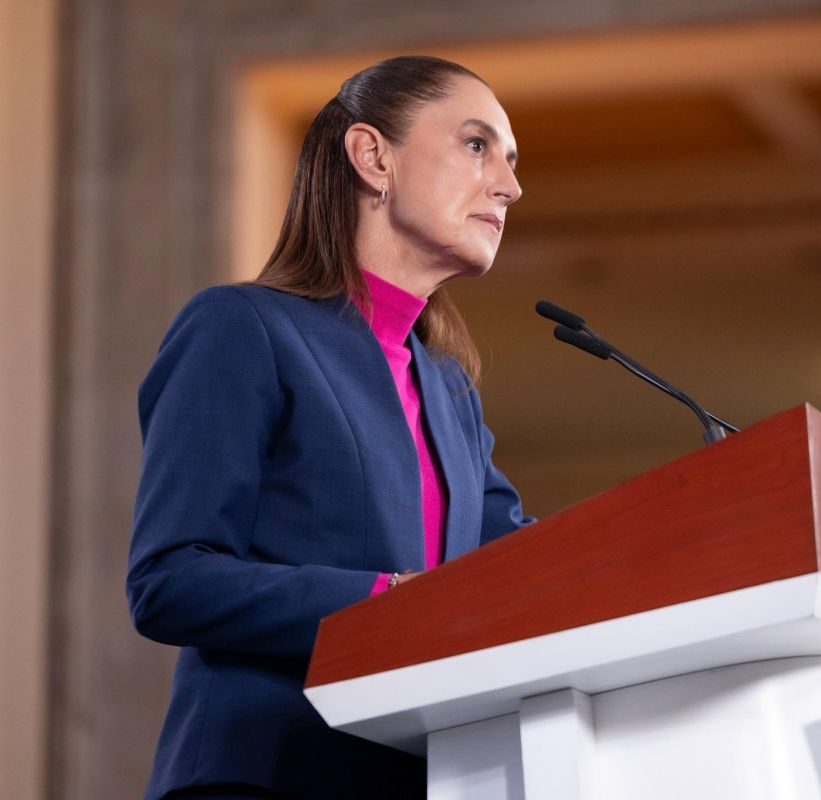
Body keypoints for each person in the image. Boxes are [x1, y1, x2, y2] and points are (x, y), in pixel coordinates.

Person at [126, 56, 533, 799]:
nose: (509, 185)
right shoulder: (241, 327)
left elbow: (526, 569)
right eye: (478, 146)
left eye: (511, 161)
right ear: (373, 157)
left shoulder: (448, 390)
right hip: (266, 774)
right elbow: (171, 580)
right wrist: (388, 600)